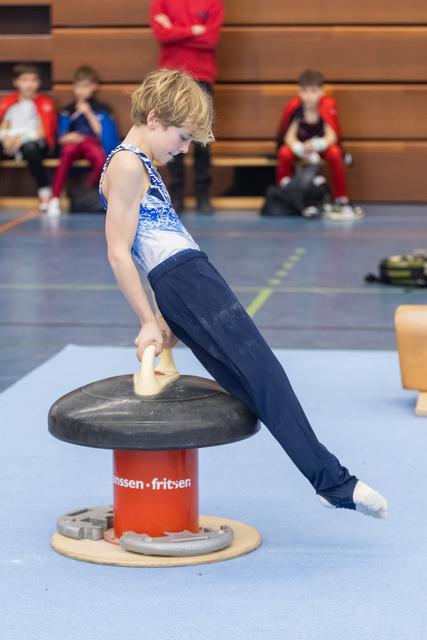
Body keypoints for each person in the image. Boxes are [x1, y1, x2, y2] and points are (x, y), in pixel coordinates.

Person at [100, 68, 388, 520]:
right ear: (154, 119)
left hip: (187, 279)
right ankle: (331, 481)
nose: (185, 148)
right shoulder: (126, 165)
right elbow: (119, 252)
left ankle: (327, 478)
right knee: (264, 375)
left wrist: (162, 315)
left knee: (252, 379)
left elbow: (145, 247)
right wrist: (147, 320)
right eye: (182, 136)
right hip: (186, 279)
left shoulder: (136, 163)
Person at [150, 0, 224, 214]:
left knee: (202, 137)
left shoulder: (213, 3)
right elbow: (161, 35)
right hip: (172, 77)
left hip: (202, 76)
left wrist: (175, 31)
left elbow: (210, 39)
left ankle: (203, 194)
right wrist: (194, 30)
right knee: (172, 135)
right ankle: (176, 194)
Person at [276, 69, 361, 219]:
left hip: (320, 148)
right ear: (299, 92)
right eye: (305, 91)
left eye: (314, 91)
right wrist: (299, 148)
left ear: (321, 92)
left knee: (335, 153)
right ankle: (285, 193)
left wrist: (317, 144)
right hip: (302, 148)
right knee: (284, 153)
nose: (309, 96)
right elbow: (288, 136)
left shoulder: (327, 106)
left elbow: (332, 136)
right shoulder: (295, 108)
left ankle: (341, 198)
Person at [47, 65, 119, 217]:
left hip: (92, 143)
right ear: (74, 87)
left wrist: (87, 112)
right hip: (73, 144)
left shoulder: (102, 108)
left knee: (101, 160)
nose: (81, 90)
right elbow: (61, 137)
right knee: (67, 153)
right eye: (78, 86)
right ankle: (54, 198)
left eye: (85, 86)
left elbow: (103, 134)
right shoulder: (68, 109)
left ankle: (86, 187)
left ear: (94, 87)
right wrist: (68, 137)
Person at [0, 63, 56, 211]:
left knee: (31, 149)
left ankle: (44, 193)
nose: (29, 84)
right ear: (16, 82)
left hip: (34, 143)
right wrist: (5, 138)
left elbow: (43, 131)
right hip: (11, 143)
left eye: (33, 80)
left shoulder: (45, 103)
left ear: (38, 82)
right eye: (25, 80)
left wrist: (21, 139)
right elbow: (4, 125)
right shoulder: (8, 102)